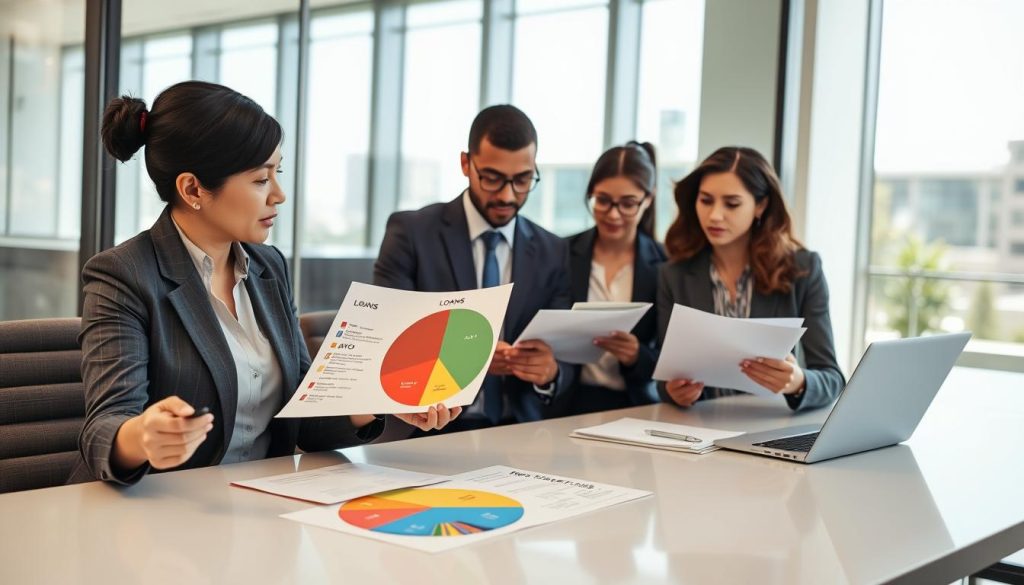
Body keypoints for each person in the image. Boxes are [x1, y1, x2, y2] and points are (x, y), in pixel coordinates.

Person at [69, 81, 458, 486]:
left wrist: (380, 400)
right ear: (193, 189)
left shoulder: (268, 266)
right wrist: (142, 437)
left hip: (259, 504)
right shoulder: (123, 275)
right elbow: (104, 426)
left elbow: (305, 417)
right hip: (156, 516)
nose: (279, 195)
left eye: (278, 173)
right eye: (260, 180)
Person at [374, 104, 574, 432]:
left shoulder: (553, 250)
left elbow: (567, 357)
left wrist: (549, 372)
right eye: (493, 179)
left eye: (523, 180)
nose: (508, 196)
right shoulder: (411, 233)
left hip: (520, 432)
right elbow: (386, 336)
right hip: (426, 429)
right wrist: (468, 358)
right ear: (466, 164)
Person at [657, 146, 844, 410]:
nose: (715, 215)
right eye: (706, 200)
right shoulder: (673, 274)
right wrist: (673, 391)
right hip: (699, 431)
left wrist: (797, 381)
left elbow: (832, 380)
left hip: (772, 427)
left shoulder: (803, 270)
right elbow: (666, 378)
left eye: (732, 204)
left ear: (761, 205)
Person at [564, 141, 667, 414]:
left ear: (649, 199)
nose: (613, 214)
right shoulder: (562, 253)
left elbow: (674, 356)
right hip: (568, 404)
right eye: (603, 201)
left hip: (635, 406)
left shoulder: (665, 265)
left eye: (628, 204)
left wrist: (637, 355)